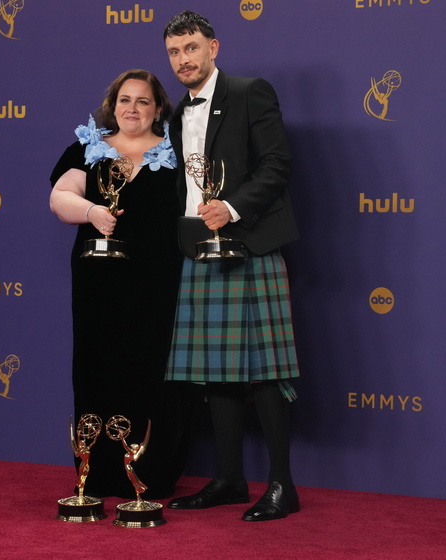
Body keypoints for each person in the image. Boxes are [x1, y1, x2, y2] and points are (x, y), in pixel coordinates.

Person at [162, 11, 302, 521]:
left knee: (264, 369)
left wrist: (234, 207)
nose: (184, 59)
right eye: (175, 52)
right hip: (200, 247)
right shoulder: (176, 112)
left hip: (249, 244)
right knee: (214, 371)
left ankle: (283, 486)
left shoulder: (249, 92)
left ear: (213, 47)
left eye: (192, 48)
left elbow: (278, 163)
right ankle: (228, 479)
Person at [49, 69, 185, 499]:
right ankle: (96, 472)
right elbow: (60, 196)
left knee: (149, 368)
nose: (132, 108)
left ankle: (147, 474)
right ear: (112, 105)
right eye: (125, 100)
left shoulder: (177, 153)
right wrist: (93, 213)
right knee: (96, 366)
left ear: (158, 108)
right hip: (98, 281)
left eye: (143, 101)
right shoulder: (88, 148)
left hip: (157, 281)